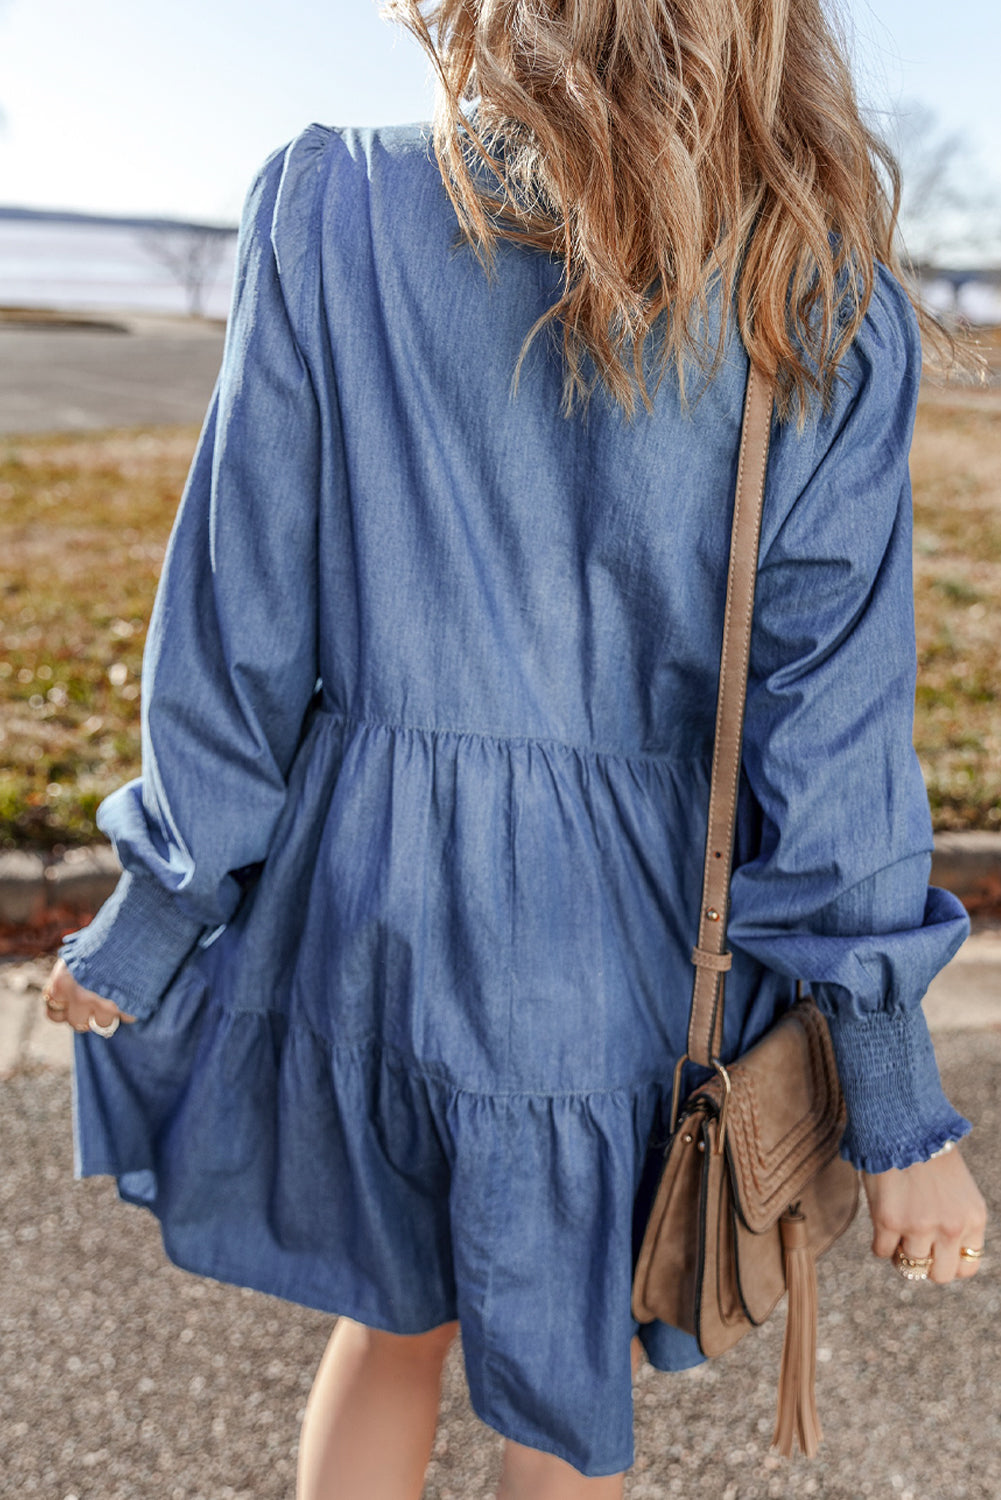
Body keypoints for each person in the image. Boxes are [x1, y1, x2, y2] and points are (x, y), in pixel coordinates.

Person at [41, 0, 988, 1495]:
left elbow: (240, 611)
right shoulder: (815, 293)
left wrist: (162, 904)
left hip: (366, 900)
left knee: (388, 1324)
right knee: (560, 1388)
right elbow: (833, 732)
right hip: (618, 943)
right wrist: (886, 1087)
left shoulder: (333, 202)